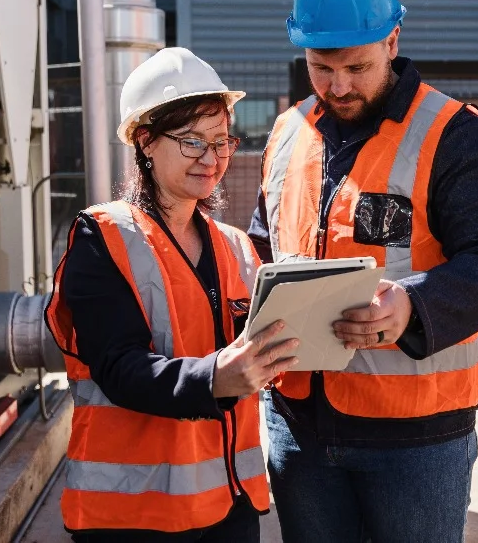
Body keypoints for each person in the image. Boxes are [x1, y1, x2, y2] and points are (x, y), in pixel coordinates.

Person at [248, 0, 478, 543]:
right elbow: (263, 244)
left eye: (357, 66)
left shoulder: (457, 138)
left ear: (392, 42)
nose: (338, 86)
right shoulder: (288, 133)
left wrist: (413, 306)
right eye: (322, 66)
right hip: (298, 424)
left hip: (416, 438)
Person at [45, 47, 299, 542]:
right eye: (191, 142)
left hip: (230, 505)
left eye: (222, 141)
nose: (211, 158)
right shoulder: (104, 237)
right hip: (134, 516)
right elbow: (119, 368)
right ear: (145, 142)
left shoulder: (236, 248)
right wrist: (217, 378)